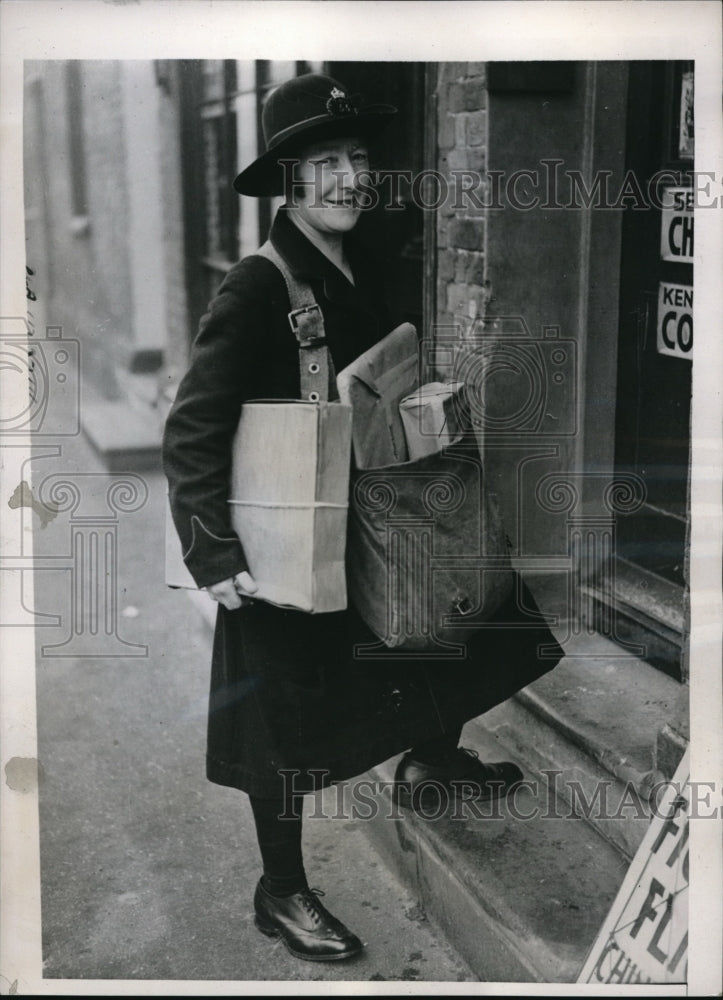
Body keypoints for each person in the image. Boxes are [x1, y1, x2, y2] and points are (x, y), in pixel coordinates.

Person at [163, 72, 564, 963]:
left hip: (383, 507)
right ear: (289, 181)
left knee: (460, 618)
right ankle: (282, 888)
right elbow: (192, 426)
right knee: (282, 716)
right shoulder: (257, 289)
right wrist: (210, 548)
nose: (350, 177)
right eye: (326, 164)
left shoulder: (368, 254)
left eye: (358, 158)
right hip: (293, 539)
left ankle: (429, 759)